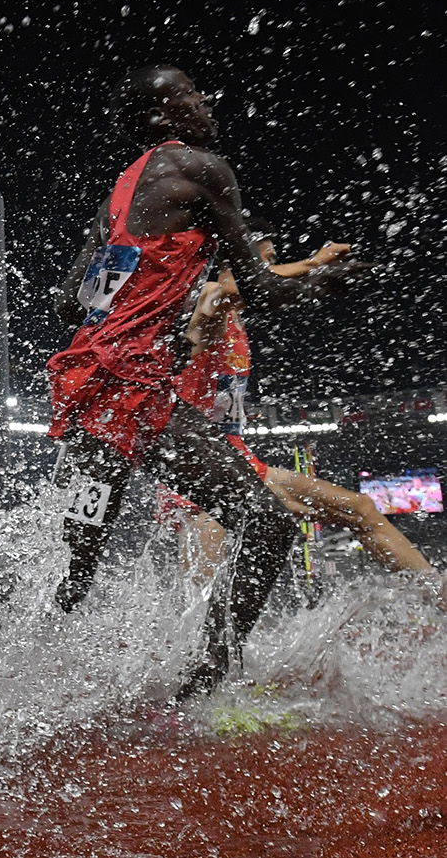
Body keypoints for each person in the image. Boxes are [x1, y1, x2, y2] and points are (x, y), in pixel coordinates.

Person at [44, 64, 372, 699]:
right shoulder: (204, 169)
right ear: (163, 115)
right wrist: (325, 282)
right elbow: (264, 289)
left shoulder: (120, 190)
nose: (205, 102)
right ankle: (201, 685)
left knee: (71, 568)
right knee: (271, 525)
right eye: (190, 94)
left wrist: (143, 302)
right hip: (137, 391)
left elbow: (69, 301)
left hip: (91, 388)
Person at [158, 229, 447, 609]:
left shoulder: (240, 327)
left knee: (362, 509)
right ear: (239, 263)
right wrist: (312, 264)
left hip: (237, 456)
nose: (272, 270)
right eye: (266, 261)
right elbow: (228, 289)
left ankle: (437, 597)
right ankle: (177, 656)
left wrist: (318, 280)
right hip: (199, 462)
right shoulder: (213, 301)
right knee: (203, 595)